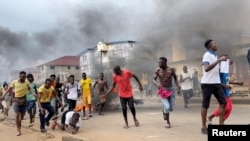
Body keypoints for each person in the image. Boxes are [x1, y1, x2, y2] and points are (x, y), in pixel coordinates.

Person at [200, 39, 227, 134]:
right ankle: (203, 127)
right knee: (205, 105)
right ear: (210, 46)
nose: (217, 44)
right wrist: (219, 60)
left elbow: (216, 72)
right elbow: (206, 68)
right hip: (207, 84)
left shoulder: (215, 55)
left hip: (216, 83)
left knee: (223, 103)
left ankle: (221, 125)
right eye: (215, 43)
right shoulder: (207, 55)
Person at [207, 55, 244, 124]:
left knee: (229, 108)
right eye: (226, 59)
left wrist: (237, 83)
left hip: (226, 91)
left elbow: (226, 81)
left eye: (228, 59)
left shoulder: (225, 70)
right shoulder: (219, 70)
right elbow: (215, 81)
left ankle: (215, 118)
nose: (229, 61)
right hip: (220, 91)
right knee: (226, 108)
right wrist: (225, 86)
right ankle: (215, 119)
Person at [2, 71, 34, 136]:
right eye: (23, 77)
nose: (24, 78)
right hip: (16, 100)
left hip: (24, 100)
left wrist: (33, 94)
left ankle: (19, 123)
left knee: (21, 116)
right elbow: (9, 89)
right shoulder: (14, 82)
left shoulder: (26, 82)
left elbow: (30, 89)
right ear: (19, 76)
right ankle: (18, 130)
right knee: (16, 115)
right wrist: (3, 95)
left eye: (25, 77)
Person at [153, 57, 180, 128]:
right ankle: (168, 122)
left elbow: (176, 78)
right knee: (167, 106)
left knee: (171, 108)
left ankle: (164, 111)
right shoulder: (158, 70)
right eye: (158, 62)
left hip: (171, 90)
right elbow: (153, 79)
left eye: (161, 62)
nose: (159, 64)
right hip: (163, 90)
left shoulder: (171, 70)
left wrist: (178, 86)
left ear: (165, 63)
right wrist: (157, 84)